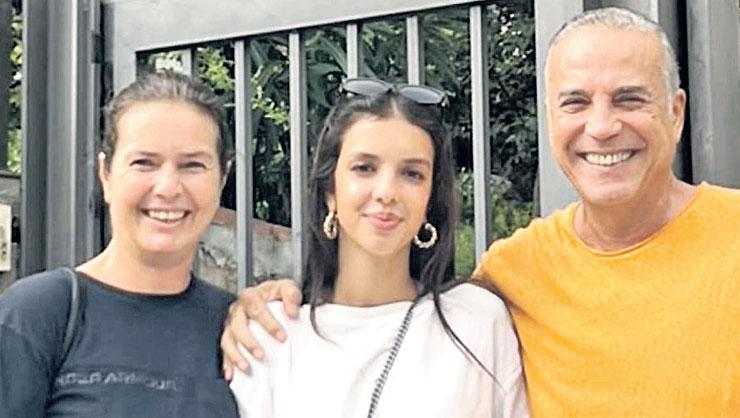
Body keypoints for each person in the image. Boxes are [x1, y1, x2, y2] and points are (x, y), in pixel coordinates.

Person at [221, 7, 740, 418]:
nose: (601, 127)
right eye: (576, 102)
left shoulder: (481, 317)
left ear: (676, 112)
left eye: (628, 99)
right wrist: (248, 304)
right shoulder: (515, 273)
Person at [228, 78, 529, 417]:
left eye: (412, 174)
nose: (386, 192)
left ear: (429, 199)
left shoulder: (477, 322)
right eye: (364, 168)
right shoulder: (270, 333)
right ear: (330, 191)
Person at [0, 71, 239, 417]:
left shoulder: (237, 329)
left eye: (192, 165)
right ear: (106, 174)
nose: (167, 188)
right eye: (144, 163)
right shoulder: (38, 314)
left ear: (222, 178)